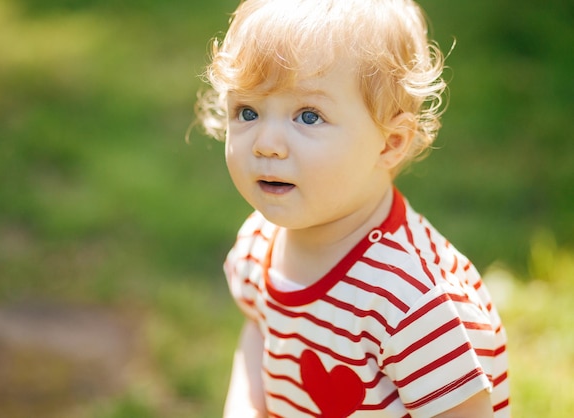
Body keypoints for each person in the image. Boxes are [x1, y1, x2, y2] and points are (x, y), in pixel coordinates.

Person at [195, 0, 510, 416]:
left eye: (308, 116)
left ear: (390, 142)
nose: (265, 142)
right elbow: (259, 331)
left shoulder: (411, 301)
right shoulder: (260, 241)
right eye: (247, 111)